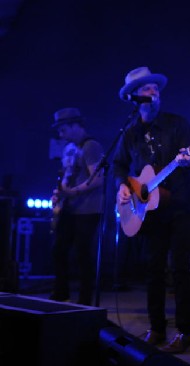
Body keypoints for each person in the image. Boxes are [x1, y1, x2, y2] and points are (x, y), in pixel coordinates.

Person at [113, 67, 190, 354]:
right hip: (148, 210)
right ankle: (157, 328)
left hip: (180, 206)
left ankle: (186, 332)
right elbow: (119, 166)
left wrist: (188, 160)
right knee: (152, 270)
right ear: (134, 97)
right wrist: (123, 186)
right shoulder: (130, 132)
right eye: (147, 89)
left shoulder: (178, 125)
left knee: (179, 269)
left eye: (155, 88)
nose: (154, 92)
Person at [49, 108, 104, 306]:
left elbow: (97, 178)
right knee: (59, 249)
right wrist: (59, 192)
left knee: (83, 252)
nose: (60, 134)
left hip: (88, 209)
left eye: (63, 129)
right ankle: (60, 292)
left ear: (75, 126)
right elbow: (66, 174)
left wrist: (74, 192)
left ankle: (85, 299)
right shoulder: (69, 148)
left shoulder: (91, 146)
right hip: (70, 207)